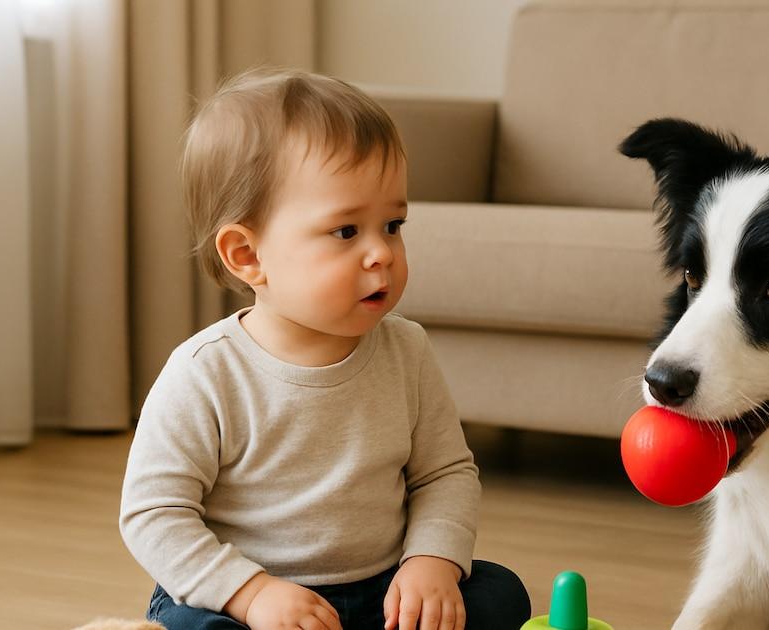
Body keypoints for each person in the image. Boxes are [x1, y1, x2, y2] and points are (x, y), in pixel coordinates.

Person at [120, 68, 530, 630]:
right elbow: (153, 513)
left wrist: (431, 563)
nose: (381, 253)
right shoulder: (205, 372)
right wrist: (251, 593)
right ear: (247, 255)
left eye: (392, 224)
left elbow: (445, 474)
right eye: (346, 232)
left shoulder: (406, 351)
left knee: (499, 593)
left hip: (381, 591)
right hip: (246, 603)